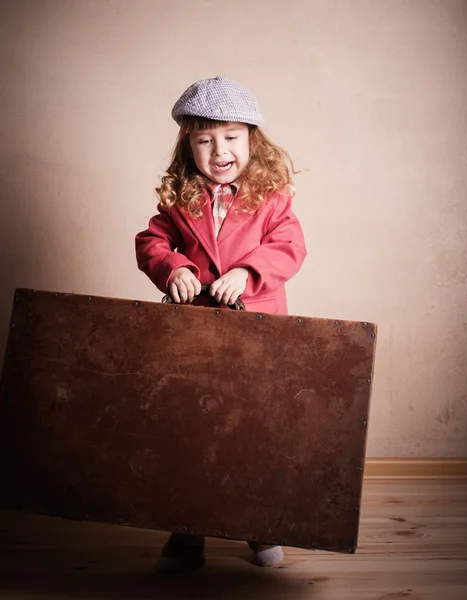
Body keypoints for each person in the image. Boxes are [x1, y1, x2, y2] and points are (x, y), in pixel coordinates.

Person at [135, 76, 307, 571]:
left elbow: (289, 247)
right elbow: (151, 243)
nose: (219, 150)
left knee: (251, 430)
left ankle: (258, 527)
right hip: (195, 336)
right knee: (190, 428)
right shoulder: (179, 200)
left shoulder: (273, 197)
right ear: (188, 146)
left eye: (231, 136)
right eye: (204, 139)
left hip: (257, 331)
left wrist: (247, 271)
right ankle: (187, 531)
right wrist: (175, 268)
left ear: (253, 138)